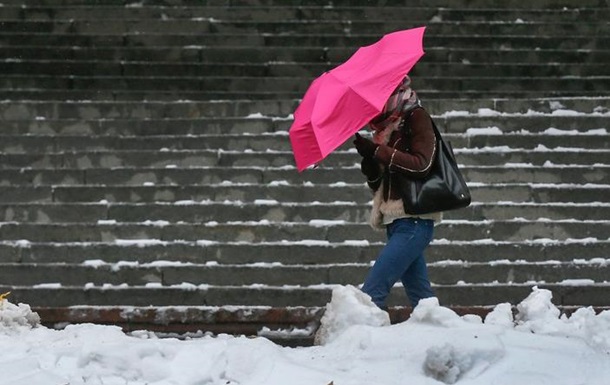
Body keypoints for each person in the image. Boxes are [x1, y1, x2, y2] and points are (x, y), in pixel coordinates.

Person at [352, 75, 441, 310]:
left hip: (414, 220)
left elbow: (422, 164)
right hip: (396, 222)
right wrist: (369, 158)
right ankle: (442, 338)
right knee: (423, 301)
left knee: (371, 294)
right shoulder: (386, 128)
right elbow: (380, 184)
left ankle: (357, 341)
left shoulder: (416, 117)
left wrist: (378, 151)